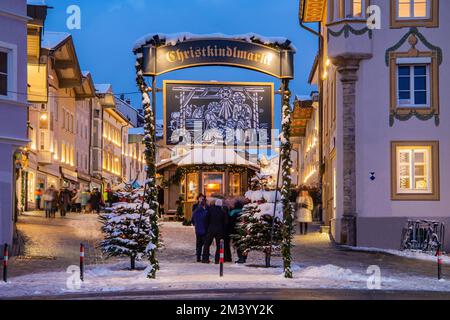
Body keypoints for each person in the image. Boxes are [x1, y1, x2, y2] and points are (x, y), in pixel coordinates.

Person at [202, 198, 229, 264]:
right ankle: (217, 260)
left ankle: (205, 259)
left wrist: (207, 227)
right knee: (219, 245)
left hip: (210, 229)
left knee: (207, 244)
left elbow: (206, 220)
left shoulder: (210, 210)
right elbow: (226, 222)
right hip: (220, 230)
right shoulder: (223, 212)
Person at [191, 197, 209, 262]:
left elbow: (192, 220)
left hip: (198, 230)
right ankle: (205, 257)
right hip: (204, 230)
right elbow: (207, 221)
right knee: (205, 244)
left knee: (199, 244)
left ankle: (198, 257)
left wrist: (196, 225)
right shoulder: (206, 212)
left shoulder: (195, 211)